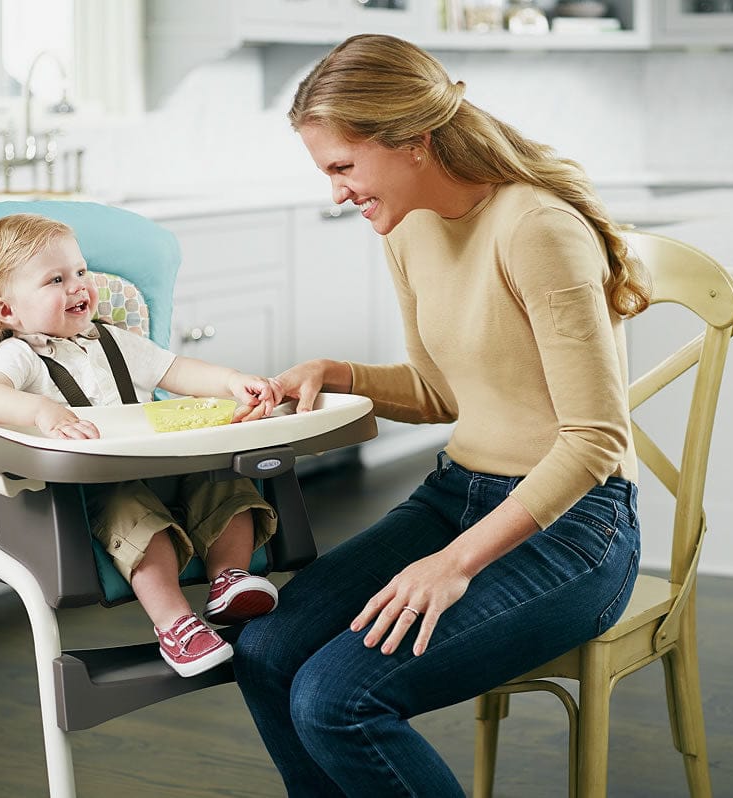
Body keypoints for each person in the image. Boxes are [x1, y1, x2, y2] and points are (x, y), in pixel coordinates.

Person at [233, 33, 651, 796]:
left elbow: (595, 439)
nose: (336, 194)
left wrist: (454, 564)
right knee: (264, 650)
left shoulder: (537, 228)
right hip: (455, 496)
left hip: (574, 527)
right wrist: (335, 373)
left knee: (336, 702)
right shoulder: (407, 223)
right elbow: (440, 393)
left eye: (342, 167)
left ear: (412, 141)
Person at [0, 213, 284, 678]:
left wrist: (233, 382)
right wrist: (44, 412)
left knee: (227, 482)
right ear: (6, 312)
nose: (78, 286)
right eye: (56, 279)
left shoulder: (111, 339)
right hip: (104, 485)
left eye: (80, 271)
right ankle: (176, 625)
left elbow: (176, 370)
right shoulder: (22, 355)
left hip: (166, 466)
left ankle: (229, 578)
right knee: (136, 519)